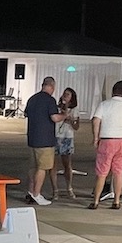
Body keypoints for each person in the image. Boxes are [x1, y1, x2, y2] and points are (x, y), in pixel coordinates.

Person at [88, 81, 122, 210]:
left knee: (102, 172)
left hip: (107, 140)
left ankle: (96, 201)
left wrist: (95, 137)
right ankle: (116, 201)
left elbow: (96, 120)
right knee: (118, 172)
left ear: (112, 91)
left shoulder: (104, 105)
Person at [23, 77, 65, 206]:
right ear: (52, 86)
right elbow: (54, 117)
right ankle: (37, 194)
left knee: (33, 167)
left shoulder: (32, 98)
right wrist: (65, 115)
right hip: (45, 139)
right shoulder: (50, 100)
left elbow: (26, 114)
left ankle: (30, 191)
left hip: (32, 138)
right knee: (42, 168)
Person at [55, 87, 80, 199]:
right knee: (53, 164)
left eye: (68, 94)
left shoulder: (74, 110)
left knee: (67, 164)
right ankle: (55, 190)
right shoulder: (56, 108)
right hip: (56, 136)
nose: (65, 96)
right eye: (64, 94)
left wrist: (71, 120)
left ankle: (69, 187)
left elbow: (77, 127)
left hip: (67, 137)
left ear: (72, 98)